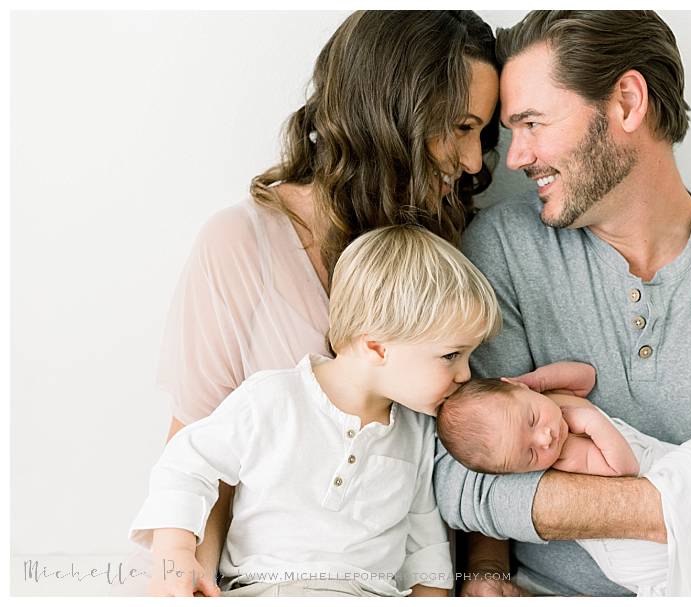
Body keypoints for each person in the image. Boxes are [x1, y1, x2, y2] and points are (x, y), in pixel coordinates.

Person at [433, 10, 691, 597]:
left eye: (532, 123)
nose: (514, 158)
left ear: (628, 103)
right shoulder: (501, 250)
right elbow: (463, 473)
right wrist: (669, 507)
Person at [119, 10, 501, 595]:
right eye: (458, 127)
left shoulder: (447, 250)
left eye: (482, 133)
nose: (474, 162)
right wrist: (186, 568)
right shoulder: (242, 244)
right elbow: (199, 452)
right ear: (389, 115)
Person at [129, 224, 502, 596]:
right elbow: (187, 462)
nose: (465, 374)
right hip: (264, 592)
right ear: (376, 348)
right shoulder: (272, 398)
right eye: (451, 355)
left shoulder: (418, 432)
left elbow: (424, 544)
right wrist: (174, 552)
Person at [436, 362, 691, 596]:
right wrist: (589, 419)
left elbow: (585, 376)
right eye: (529, 455)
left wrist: (537, 379)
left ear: (518, 388)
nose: (545, 438)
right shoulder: (567, 454)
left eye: (533, 419)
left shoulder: (547, 399)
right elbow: (623, 469)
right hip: (629, 541)